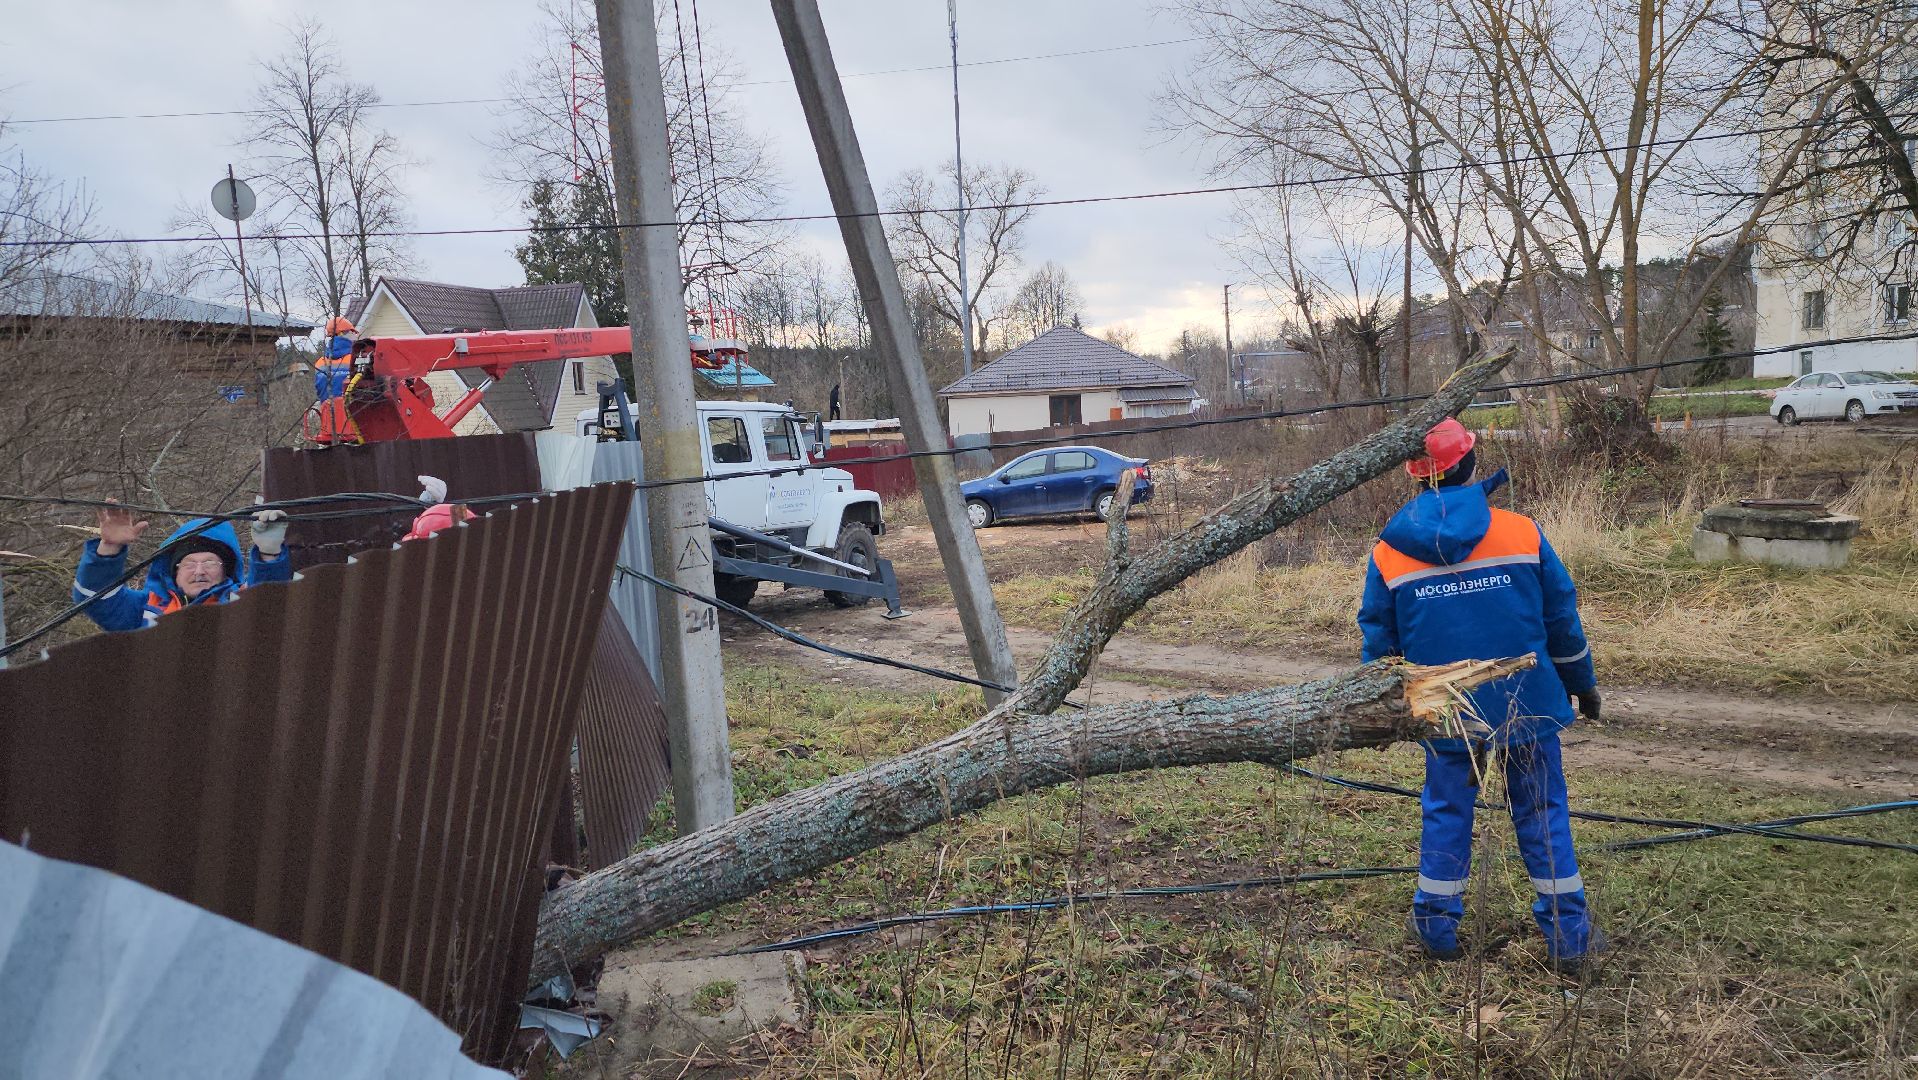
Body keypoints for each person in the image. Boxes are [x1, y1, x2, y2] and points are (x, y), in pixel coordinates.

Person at [1357, 418, 1607, 977]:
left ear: (1416, 479)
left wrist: (1390, 710)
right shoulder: (1521, 533)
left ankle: (1436, 929)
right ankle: (1570, 937)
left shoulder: (1389, 553)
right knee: (1543, 813)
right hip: (1531, 701)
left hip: (1447, 713)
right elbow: (1561, 622)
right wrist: (1582, 684)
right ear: (1471, 464)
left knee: (1447, 811)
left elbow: (1380, 644)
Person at [72, 502, 293, 631]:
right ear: (174, 571)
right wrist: (109, 548)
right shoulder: (143, 609)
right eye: (188, 563)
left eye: (209, 562)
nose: (199, 571)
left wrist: (269, 553)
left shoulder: (241, 602)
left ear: (226, 569)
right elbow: (93, 599)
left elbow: (271, 601)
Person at [315, 315, 357, 402]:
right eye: (351, 333)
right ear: (342, 334)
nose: (354, 337)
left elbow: (320, 392)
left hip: (327, 412)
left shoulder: (320, 362)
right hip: (351, 413)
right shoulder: (355, 359)